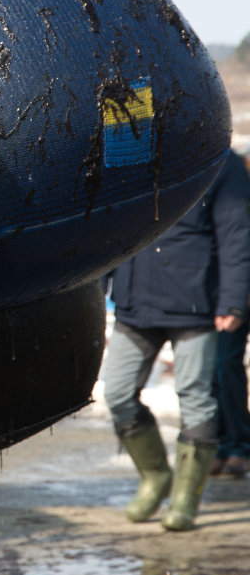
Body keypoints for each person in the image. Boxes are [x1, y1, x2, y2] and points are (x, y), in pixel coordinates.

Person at [106, 152, 250, 531]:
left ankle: (186, 498)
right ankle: (155, 476)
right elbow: (108, 225)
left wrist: (234, 298)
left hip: (195, 305)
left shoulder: (223, 164)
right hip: (134, 301)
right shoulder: (132, 157)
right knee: (118, 394)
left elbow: (237, 233)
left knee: (196, 398)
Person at [213, 153, 250, 477]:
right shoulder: (231, 174)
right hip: (224, 290)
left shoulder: (233, 172)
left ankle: (237, 445)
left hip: (236, 292)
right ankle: (224, 444)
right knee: (216, 367)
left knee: (225, 365)